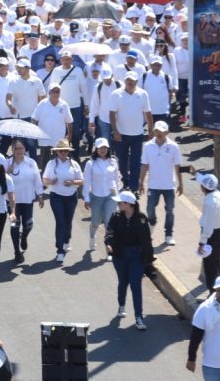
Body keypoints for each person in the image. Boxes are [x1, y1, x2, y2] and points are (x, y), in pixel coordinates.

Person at [105, 190, 154, 331]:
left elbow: (146, 240)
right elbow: (110, 232)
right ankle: (121, 305)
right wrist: (109, 243)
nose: (118, 204)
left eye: (120, 202)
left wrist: (149, 260)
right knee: (123, 282)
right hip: (120, 255)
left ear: (129, 204)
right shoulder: (116, 217)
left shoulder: (141, 219)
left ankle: (139, 317)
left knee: (135, 284)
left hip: (136, 257)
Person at [139, 120, 183, 246]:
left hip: (169, 185)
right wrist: (141, 182)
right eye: (157, 130)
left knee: (169, 210)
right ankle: (152, 222)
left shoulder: (174, 146)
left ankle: (169, 234)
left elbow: (177, 166)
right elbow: (145, 165)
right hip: (153, 185)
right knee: (150, 208)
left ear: (167, 132)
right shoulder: (147, 146)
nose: (158, 133)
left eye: (161, 131)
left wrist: (181, 184)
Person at [42, 139, 82, 263]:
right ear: (57, 152)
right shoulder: (51, 164)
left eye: (65, 150)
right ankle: (59, 250)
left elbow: (81, 180)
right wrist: (50, 182)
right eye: (61, 151)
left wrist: (73, 182)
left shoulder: (74, 164)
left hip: (71, 196)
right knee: (60, 222)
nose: (63, 153)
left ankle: (66, 241)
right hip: (56, 196)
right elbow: (44, 179)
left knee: (68, 221)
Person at [7, 139, 44, 263]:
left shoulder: (31, 162)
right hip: (12, 203)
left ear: (24, 149)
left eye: (21, 148)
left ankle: (24, 237)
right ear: (12, 150)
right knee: (14, 226)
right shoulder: (7, 163)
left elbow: (37, 179)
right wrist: (7, 172)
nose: (19, 151)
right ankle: (17, 252)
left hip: (28, 200)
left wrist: (40, 194)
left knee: (29, 224)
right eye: (16, 148)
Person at [83, 138, 120, 258]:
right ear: (96, 149)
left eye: (105, 148)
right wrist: (86, 198)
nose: (103, 150)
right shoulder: (91, 163)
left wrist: (118, 196)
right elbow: (87, 182)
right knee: (95, 222)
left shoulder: (113, 161)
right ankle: (92, 237)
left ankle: (109, 249)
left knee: (109, 223)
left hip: (111, 196)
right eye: (100, 148)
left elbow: (116, 179)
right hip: (96, 196)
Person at [197, 173, 220, 293]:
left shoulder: (209, 203)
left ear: (204, 187)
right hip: (218, 233)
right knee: (215, 263)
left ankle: (213, 292)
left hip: (210, 236)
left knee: (209, 266)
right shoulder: (218, 195)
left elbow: (207, 226)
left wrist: (201, 243)